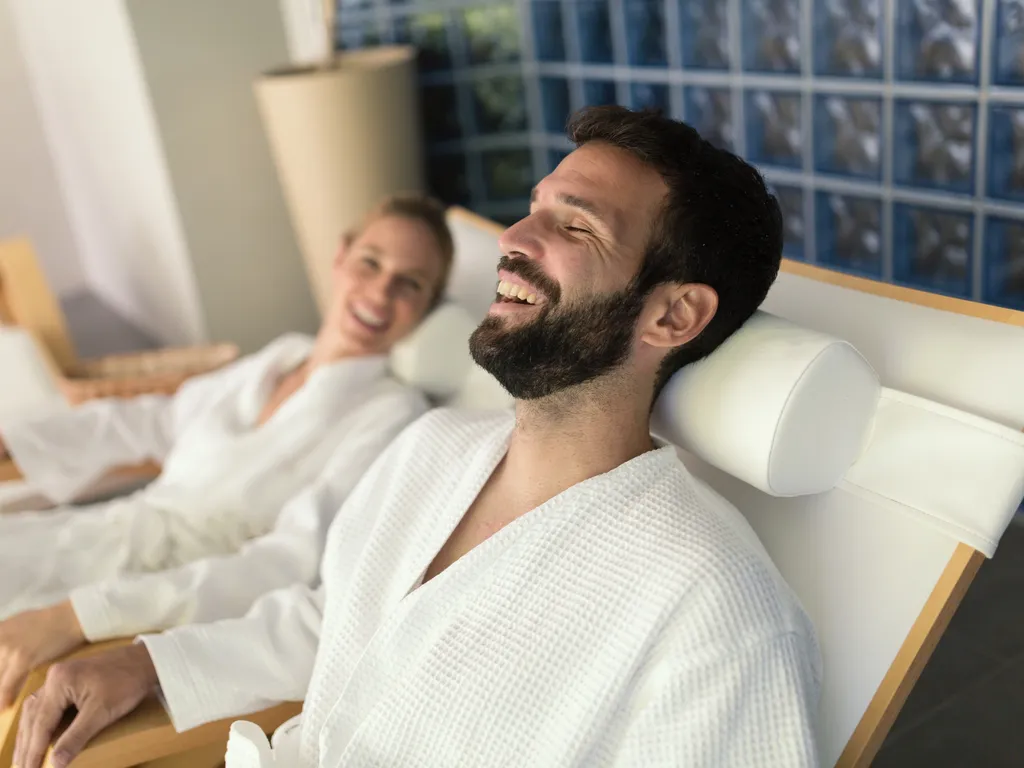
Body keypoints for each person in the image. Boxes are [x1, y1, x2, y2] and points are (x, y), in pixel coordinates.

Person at [14, 106, 819, 768]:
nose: (516, 239)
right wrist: (150, 661)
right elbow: (336, 620)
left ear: (674, 315)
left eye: (574, 228)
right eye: (534, 208)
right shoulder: (434, 449)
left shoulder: (713, 608)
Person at [0, 193, 454, 712]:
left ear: (427, 308)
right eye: (370, 263)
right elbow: (159, 419)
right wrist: (16, 441)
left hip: (158, 600)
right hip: (91, 536)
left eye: (410, 283)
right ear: (340, 257)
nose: (380, 291)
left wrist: (79, 614)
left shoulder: (391, 414)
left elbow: (287, 561)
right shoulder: (284, 356)